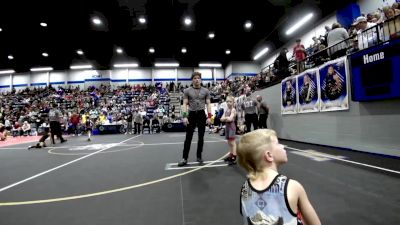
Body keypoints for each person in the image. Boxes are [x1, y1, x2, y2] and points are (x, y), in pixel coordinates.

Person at [238, 129, 321, 225]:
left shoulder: (245, 189)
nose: (283, 146)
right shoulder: (292, 187)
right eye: (278, 143)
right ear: (269, 155)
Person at [178, 72, 212, 167]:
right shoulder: (187, 91)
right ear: (192, 80)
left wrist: (209, 117)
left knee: (201, 137)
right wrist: (184, 116)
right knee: (188, 137)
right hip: (191, 114)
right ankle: (184, 158)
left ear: (200, 80)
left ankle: (199, 156)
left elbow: (208, 104)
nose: (197, 80)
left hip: (201, 114)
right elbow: (184, 104)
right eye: (195, 78)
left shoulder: (206, 91)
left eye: (198, 78)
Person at [220, 96, 237, 165]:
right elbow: (221, 119)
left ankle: (234, 157)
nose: (228, 103)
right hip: (227, 127)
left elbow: (230, 119)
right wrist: (226, 118)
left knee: (232, 143)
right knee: (229, 143)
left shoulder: (233, 110)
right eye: (227, 101)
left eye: (230, 101)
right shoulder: (226, 110)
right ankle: (231, 155)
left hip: (231, 127)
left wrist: (225, 118)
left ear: (233, 102)